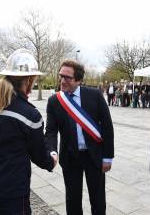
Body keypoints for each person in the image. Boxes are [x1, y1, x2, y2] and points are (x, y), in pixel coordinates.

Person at [0, 49, 57, 214]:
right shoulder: (31, 115)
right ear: (30, 80)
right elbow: (40, 157)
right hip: (12, 195)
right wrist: (52, 159)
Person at [45, 59, 114, 215]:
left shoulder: (95, 95)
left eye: (67, 77)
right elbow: (50, 131)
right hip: (70, 158)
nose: (62, 80)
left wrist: (108, 157)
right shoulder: (55, 101)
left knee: (98, 200)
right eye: (61, 76)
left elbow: (107, 127)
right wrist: (52, 151)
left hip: (94, 156)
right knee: (72, 201)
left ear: (79, 80)